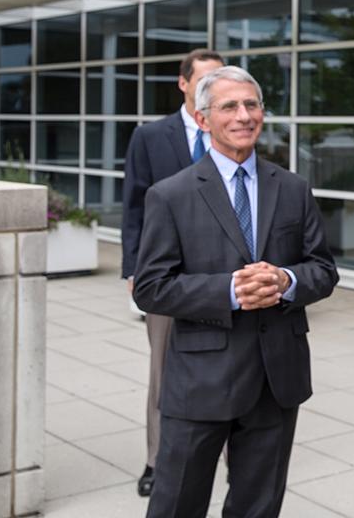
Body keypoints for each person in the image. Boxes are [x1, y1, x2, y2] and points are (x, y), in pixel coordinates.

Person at [132, 65, 339, 518]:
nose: (244, 115)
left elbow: (323, 270)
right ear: (203, 119)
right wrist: (230, 290)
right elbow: (150, 288)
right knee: (176, 506)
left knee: (258, 508)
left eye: (252, 105)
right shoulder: (170, 195)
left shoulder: (293, 188)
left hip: (275, 379)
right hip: (200, 381)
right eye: (229, 106)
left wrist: (286, 281)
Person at [121, 48, 223, 497]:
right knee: (164, 371)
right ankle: (156, 459)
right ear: (183, 83)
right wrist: (133, 267)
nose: (211, 89)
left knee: (228, 365)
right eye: (204, 81)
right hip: (166, 274)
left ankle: (224, 451)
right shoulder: (150, 136)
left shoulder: (229, 128)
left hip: (222, 277)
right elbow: (134, 205)